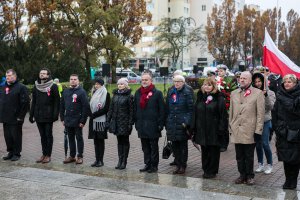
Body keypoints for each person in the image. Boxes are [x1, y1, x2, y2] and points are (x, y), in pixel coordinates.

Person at [229, 71, 265, 185]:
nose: (242, 80)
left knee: (249, 155)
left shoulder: (258, 93)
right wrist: (231, 127)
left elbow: (261, 114)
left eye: (245, 78)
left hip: (250, 129)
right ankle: (242, 175)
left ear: (250, 80)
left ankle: (250, 176)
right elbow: (231, 112)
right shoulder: (234, 93)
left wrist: (258, 130)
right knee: (239, 155)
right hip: (236, 129)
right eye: (241, 78)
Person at [193, 78, 227, 179]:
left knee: (213, 151)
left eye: (209, 85)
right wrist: (194, 127)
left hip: (214, 130)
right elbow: (196, 113)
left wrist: (221, 129)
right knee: (205, 151)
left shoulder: (219, 98)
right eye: (205, 84)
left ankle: (212, 170)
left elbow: (222, 115)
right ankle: (205, 169)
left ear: (213, 86)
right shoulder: (200, 97)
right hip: (202, 129)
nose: (206, 87)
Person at [272, 74, 300, 190]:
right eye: (285, 81)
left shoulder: (298, 96)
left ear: (295, 83)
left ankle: (293, 181)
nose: (287, 83)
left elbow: (295, 111)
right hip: (283, 132)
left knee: (295, 159)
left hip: (296, 133)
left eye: (290, 81)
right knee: (286, 158)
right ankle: (287, 180)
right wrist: (277, 128)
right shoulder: (279, 96)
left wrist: (282, 98)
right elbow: (275, 113)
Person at [134, 71, 165, 173]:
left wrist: (160, 124)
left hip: (153, 125)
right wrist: (136, 122)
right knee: (145, 147)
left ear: (151, 80)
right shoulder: (138, 93)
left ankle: (154, 165)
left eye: (146, 80)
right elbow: (135, 109)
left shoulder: (157, 93)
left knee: (153, 147)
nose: (144, 81)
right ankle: (147, 164)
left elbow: (162, 110)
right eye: (142, 80)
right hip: (142, 125)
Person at [29, 68, 60, 164]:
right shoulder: (36, 86)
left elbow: (57, 101)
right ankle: (43, 153)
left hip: (48, 115)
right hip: (38, 115)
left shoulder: (53, 86)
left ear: (48, 75)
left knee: (48, 135)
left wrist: (55, 114)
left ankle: (48, 155)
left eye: (44, 73)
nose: (42, 75)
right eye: (40, 73)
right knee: (42, 136)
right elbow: (33, 101)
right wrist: (31, 114)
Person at [166, 75, 193, 174]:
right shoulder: (171, 92)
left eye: (179, 81)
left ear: (183, 82)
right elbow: (168, 108)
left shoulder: (187, 92)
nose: (176, 83)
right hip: (172, 122)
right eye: (175, 81)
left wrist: (186, 121)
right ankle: (177, 164)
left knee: (182, 146)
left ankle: (183, 165)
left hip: (182, 123)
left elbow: (190, 110)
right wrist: (168, 120)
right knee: (175, 145)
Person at [0, 69, 30, 161]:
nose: (7, 77)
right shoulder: (3, 87)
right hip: (5, 116)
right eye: (7, 76)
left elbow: (25, 103)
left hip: (16, 117)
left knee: (15, 136)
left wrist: (20, 116)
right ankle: (10, 152)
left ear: (15, 76)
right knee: (7, 136)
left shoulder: (21, 87)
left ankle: (16, 153)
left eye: (9, 76)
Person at [60, 74, 89, 165]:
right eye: (71, 79)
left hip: (78, 120)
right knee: (70, 138)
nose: (73, 81)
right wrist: (62, 118)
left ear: (78, 81)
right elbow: (62, 105)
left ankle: (80, 156)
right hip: (68, 119)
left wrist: (83, 120)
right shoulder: (65, 91)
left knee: (79, 138)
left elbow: (85, 107)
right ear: (69, 80)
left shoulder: (82, 92)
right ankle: (72, 156)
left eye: (75, 79)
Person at [106, 78, 134, 170]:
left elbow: (131, 111)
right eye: (119, 84)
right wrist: (108, 120)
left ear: (125, 85)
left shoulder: (129, 96)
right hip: (116, 122)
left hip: (125, 123)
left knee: (125, 142)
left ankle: (124, 161)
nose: (120, 85)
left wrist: (130, 123)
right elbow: (111, 109)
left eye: (122, 84)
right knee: (119, 142)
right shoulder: (115, 95)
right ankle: (120, 160)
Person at [252, 72, 276, 174]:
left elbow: (270, 107)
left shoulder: (271, 93)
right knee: (258, 144)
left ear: (264, 82)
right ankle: (260, 164)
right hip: (254, 121)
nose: (258, 83)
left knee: (265, 143)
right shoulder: (252, 92)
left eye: (259, 81)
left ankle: (270, 164)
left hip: (265, 121)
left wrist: (265, 95)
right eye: (256, 81)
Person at [88, 78, 110, 167]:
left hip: (101, 121)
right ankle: (96, 160)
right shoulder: (93, 93)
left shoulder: (106, 94)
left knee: (100, 141)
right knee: (95, 141)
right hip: (93, 121)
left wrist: (95, 114)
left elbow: (106, 108)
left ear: (102, 84)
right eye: (95, 84)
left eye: (98, 84)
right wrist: (90, 114)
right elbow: (90, 105)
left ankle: (101, 160)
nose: (96, 86)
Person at [216, 64, 238, 152]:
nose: (220, 72)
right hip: (216, 106)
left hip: (225, 105)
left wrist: (225, 96)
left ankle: (224, 144)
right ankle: (218, 142)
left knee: (224, 125)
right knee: (217, 125)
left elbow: (234, 91)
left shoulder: (230, 79)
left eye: (222, 70)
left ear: (225, 71)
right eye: (219, 71)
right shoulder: (215, 80)